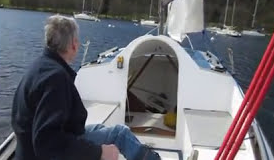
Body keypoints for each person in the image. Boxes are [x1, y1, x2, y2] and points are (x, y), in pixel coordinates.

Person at [11, 14, 161, 160]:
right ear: (74, 45)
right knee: (120, 134)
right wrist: (98, 152)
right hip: (43, 153)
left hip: (29, 149)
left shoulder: (39, 67)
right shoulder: (55, 78)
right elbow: (47, 142)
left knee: (100, 129)